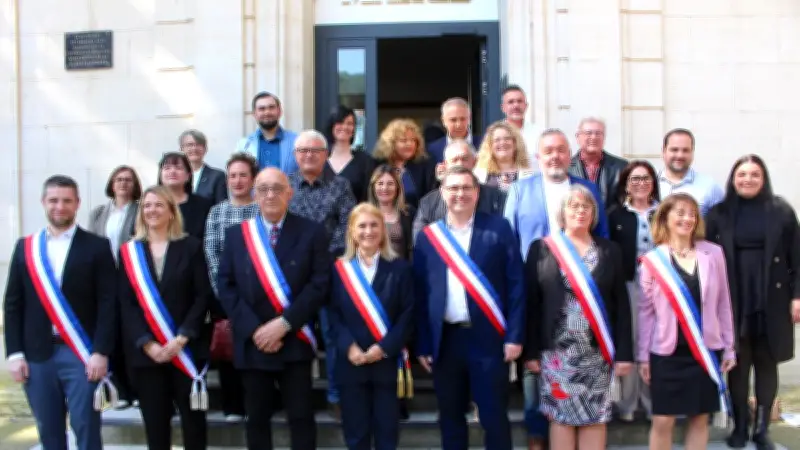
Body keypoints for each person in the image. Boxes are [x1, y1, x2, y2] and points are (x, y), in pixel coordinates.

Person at [216, 167, 330, 450]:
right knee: (256, 419)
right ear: (254, 195)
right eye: (263, 189)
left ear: (289, 194)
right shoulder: (236, 235)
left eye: (277, 189)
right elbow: (225, 285)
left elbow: (319, 284)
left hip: (295, 338)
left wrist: (284, 324)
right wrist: (255, 329)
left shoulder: (312, 232)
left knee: (301, 417)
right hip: (253, 342)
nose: (270, 195)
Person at [414, 166, 525, 450]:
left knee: (493, 416)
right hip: (446, 340)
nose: (459, 194)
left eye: (466, 188)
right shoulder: (428, 238)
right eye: (453, 188)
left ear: (477, 193)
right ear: (442, 193)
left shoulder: (498, 228)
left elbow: (516, 285)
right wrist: (424, 344)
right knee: (450, 418)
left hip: (488, 338)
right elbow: (421, 295)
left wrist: (514, 336)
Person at [4, 175, 117, 450]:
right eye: (53, 200)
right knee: (49, 431)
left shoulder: (97, 246)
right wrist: (15, 353)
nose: (60, 207)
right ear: (43, 202)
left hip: (82, 355)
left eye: (67, 200)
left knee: (86, 428)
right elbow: (12, 304)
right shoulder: (26, 247)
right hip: (37, 355)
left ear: (77, 204)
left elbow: (108, 303)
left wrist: (101, 351)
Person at [524, 184, 633, 450]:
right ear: (562, 213)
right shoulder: (542, 249)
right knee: (561, 417)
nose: (580, 211)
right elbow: (532, 305)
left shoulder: (610, 251)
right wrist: (530, 352)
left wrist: (624, 354)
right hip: (558, 354)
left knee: (595, 416)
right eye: (573, 206)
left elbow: (621, 305)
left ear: (594, 213)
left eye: (586, 206)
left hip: (597, 352)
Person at [706, 155, 800, 450]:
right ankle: (739, 427)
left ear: (764, 178)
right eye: (742, 174)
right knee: (737, 364)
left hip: (773, 298)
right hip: (732, 299)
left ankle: (762, 430)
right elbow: (706, 258)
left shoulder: (781, 211)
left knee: (767, 363)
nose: (748, 179)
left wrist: (797, 297)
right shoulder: (718, 214)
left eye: (754, 174)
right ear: (733, 179)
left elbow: (797, 257)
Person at [638, 193, 736, 450]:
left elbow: (723, 303)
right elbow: (646, 313)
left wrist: (729, 346)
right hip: (666, 352)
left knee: (699, 417)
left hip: (704, 351)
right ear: (666, 218)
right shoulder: (652, 261)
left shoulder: (713, 254)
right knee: (662, 420)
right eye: (680, 213)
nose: (687, 219)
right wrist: (643, 357)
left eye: (692, 213)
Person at [118, 185, 212, 450]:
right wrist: (148, 344)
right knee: (156, 427)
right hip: (147, 355)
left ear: (171, 211)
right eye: (147, 205)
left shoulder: (191, 246)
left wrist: (180, 339)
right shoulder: (129, 252)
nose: (152, 210)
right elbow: (126, 304)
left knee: (194, 426)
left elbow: (201, 297)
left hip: (185, 352)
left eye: (159, 205)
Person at [329, 203, 415, 450]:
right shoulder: (339, 269)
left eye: (374, 225)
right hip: (351, 362)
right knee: (356, 434)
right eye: (362, 226)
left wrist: (384, 348)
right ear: (352, 232)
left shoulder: (400, 268)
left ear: (383, 230)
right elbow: (333, 314)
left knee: (387, 433)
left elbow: (408, 314)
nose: (369, 231)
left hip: (386, 362)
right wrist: (349, 347)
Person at [288, 129, 358, 418]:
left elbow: (347, 226)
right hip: (291, 277)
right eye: (303, 151)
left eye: (315, 150)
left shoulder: (341, 186)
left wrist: (321, 259)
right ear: (295, 156)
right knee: (294, 335)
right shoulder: (286, 186)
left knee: (331, 336)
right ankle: (295, 396)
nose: (308, 155)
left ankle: (336, 395)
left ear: (326, 154)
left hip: (330, 274)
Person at [203, 153, 260, 422]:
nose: (237, 181)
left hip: (262, 296)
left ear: (253, 179)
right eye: (232, 176)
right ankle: (233, 406)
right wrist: (226, 294)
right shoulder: (217, 212)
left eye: (243, 175)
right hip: (225, 296)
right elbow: (212, 255)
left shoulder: (263, 210)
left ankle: (259, 405)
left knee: (258, 350)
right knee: (229, 351)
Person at [606, 161, 661, 421]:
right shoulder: (614, 215)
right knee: (629, 341)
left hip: (661, 290)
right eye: (634, 179)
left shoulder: (664, 212)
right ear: (626, 184)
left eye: (646, 178)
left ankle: (652, 403)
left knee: (655, 343)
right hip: (628, 287)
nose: (640, 184)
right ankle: (626, 405)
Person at [88, 165, 143, 409]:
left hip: (130, 277)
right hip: (104, 278)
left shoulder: (141, 209)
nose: (123, 184)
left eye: (128, 180)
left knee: (132, 334)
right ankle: (120, 391)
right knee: (112, 334)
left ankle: (137, 390)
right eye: (119, 179)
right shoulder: (98, 213)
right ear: (111, 183)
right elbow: (91, 242)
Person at [413, 140, 506, 239]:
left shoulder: (496, 197)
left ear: (475, 161)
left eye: (464, 159)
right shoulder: (428, 203)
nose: (460, 163)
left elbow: (504, 237)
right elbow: (420, 242)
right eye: (454, 160)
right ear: (445, 164)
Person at [373, 118, 437, 209]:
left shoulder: (425, 166)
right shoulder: (376, 166)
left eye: (413, 140)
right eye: (404, 140)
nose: (409, 144)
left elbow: (430, 200)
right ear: (391, 143)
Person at [657, 128, 723, 216]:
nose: (680, 155)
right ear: (663, 151)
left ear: (692, 152)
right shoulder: (648, 184)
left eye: (685, 150)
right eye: (674, 150)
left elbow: (722, 223)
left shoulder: (710, 187)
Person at [568, 117, 628, 210]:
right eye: (588, 133)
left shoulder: (622, 167)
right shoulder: (566, 168)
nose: (593, 137)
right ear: (578, 137)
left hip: (611, 223)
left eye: (598, 133)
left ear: (604, 137)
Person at [236, 91, 299, 173]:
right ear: (254, 114)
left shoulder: (297, 142)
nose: (267, 112)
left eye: (271, 107)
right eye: (262, 109)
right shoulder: (243, 145)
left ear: (279, 111)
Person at [157, 152, 213, 241]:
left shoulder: (204, 206)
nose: (172, 171)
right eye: (167, 168)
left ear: (188, 176)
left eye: (178, 168)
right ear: (160, 175)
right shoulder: (150, 204)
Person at [325, 105, 376, 203]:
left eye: (349, 123)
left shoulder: (365, 161)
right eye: (340, 122)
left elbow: (369, 196)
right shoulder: (320, 159)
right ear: (332, 126)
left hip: (356, 216)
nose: (345, 127)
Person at [367, 165, 415, 260]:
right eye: (380, 183)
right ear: (373, 187)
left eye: (390, 184)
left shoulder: (408, 213)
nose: (385, 188)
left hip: (401, 271)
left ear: (397, 187)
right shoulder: (365, 214)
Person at [474, 120, 534, 192]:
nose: (502, 143)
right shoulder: (478, 175)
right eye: (497, 140)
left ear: (515, 143)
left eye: (507, 138)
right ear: (489, 146)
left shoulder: (530, 176)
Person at [426, 97, 484, 164]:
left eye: (463, 119)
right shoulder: (432, 150)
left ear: (470, 119)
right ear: (443, 121)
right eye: (453, 120)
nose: (458, 125)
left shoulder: (485, 145)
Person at [180, 129, 228, 204]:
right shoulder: (175, 176)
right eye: (190, 145)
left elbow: (221, 209)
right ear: (181, 149)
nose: (194, 148)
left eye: (198, 144)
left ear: (205, 149)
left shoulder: (217, 176)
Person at [500, 85, 541, 167]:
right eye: (511, 102)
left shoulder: (540, 134)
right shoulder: (494, 134)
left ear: (526, 106)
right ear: (503, 108)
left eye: (519, 101)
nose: (516, 106)